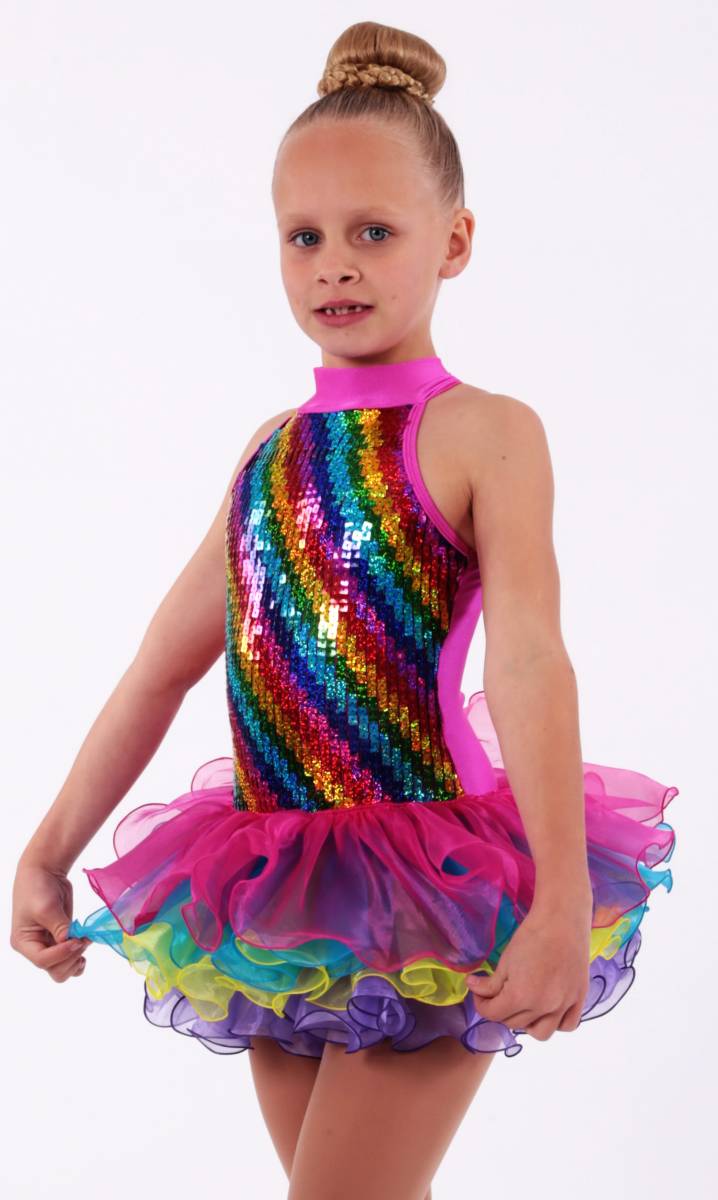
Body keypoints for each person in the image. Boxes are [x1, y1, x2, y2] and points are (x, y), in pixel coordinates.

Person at [11, 19, 678, 1200]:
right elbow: (162, 667)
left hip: (424, 879)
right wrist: (47, 851)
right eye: (304, 237)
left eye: (374, 232)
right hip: (278, 887)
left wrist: (560, 899)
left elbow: (530, 658)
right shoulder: (270, 451)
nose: (335, 266)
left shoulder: (483, 431)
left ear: (453, 241)